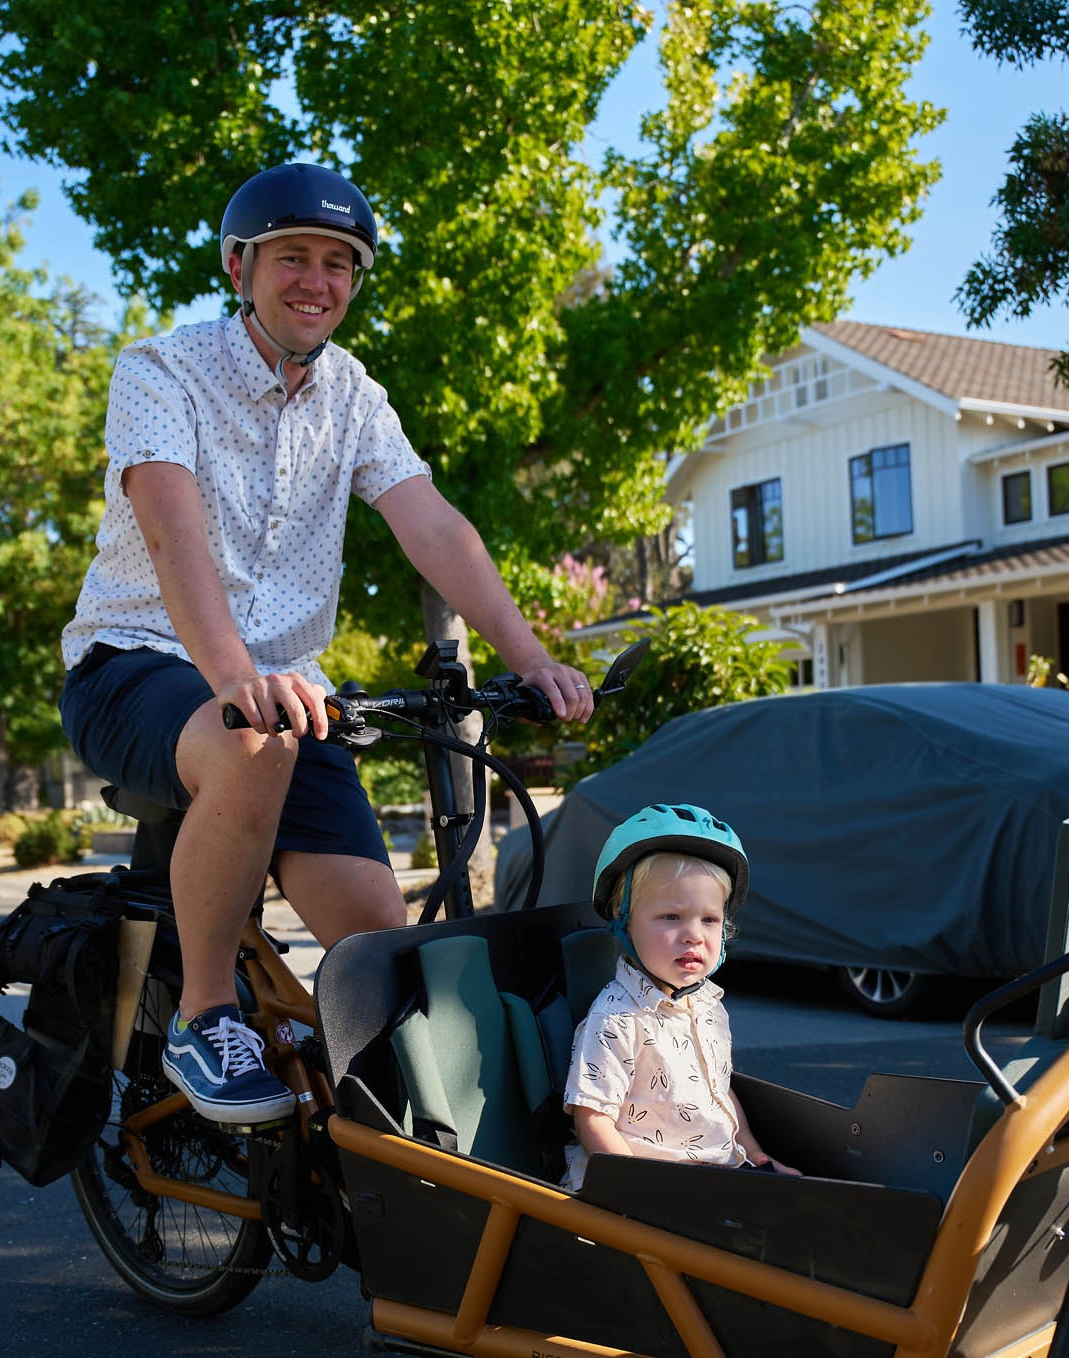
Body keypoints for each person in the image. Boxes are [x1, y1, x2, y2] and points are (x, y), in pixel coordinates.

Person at [57, 161, 594, 1126]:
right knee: (251, 738)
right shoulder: (159, 369)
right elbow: (176, 537)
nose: (316, 280)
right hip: (136, 663)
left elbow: (432, 527)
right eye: (292, 257)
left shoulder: (353, 395)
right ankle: (206, 1016)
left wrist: (530, 659)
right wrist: (235, 679)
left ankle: (354, 1132)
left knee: (377, 941)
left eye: (339, 263)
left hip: (289, 696)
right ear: (239, 266)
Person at [561, 805, 799, 1191]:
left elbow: (717, 1093)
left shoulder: (708, 1006)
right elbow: (592, 1119)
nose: (694, 935)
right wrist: (636, 1190)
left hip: (709, 1181)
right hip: (643, 1191)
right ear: (624, 919)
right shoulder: (617, 1019)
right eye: (671, 917)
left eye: (709, 920)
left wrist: (758, 1159)